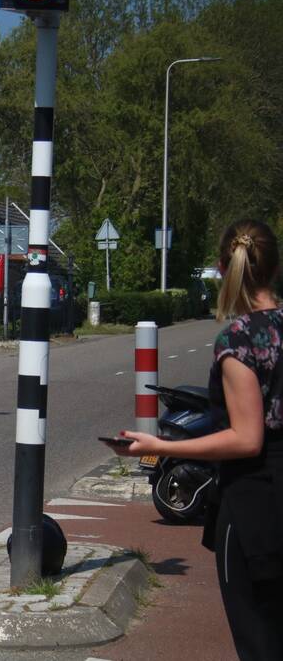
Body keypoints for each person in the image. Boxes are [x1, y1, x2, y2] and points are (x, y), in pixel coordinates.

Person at [107, 219, 282, 660]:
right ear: (275, 267)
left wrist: (158, 447)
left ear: (224, 269)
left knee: (260, 640)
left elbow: (246, 440)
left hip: (256, 508)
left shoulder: (241, 340)